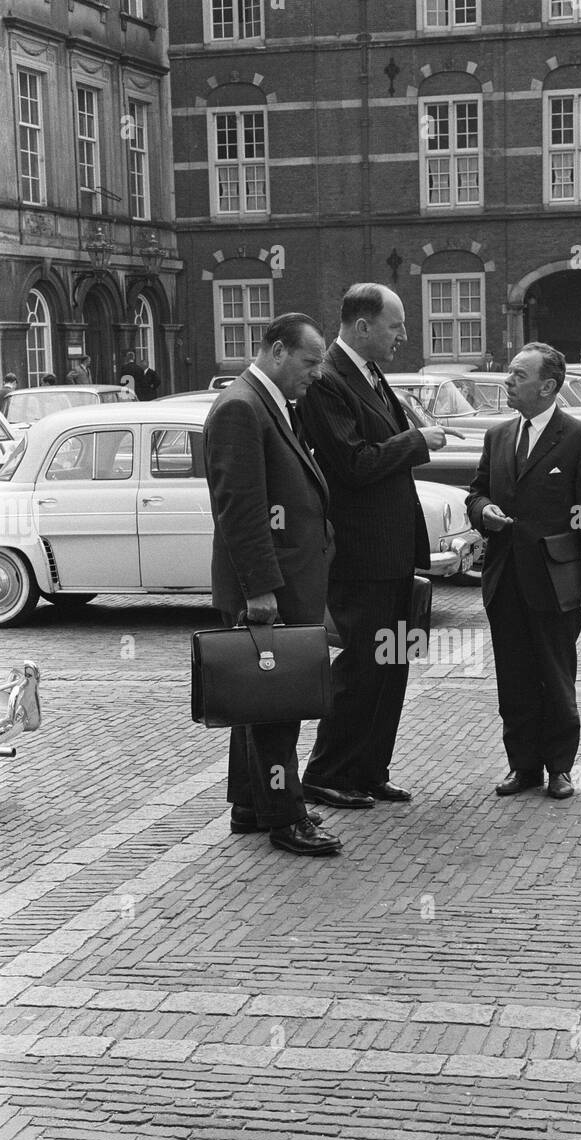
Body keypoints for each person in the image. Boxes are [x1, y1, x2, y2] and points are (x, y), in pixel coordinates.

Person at [298, 282, 446, 809]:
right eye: (396, 325)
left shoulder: (371, 373)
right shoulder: (329, 380)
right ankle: (327, 771)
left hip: (395, 551)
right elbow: (352, 463)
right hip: (363, 555)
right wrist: (417, 441)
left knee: (393, 662)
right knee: (363, 665)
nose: (404, 336)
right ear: (362, 326)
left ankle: (368, 768)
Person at [203, 313, 341, 857]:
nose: (315, 375)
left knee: (257, 699)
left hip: (283, 583)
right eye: (309, 363)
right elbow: (241, 509)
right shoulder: (242, 406)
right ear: (277, 351)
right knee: (279, 708)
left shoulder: (266, 402)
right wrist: (260, 590)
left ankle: (249, 805)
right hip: (269, 591)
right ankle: (288, 818)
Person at [466, 341, 581, 801]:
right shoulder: (497, 436)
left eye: (518, 375)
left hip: (556, 580)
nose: (508, 381)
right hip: (503, 577)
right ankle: (523, 766)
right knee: (512, 677)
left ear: (548, 386)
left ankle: (560, 768)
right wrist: (484, 510)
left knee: (555, 674)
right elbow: (475, 492)